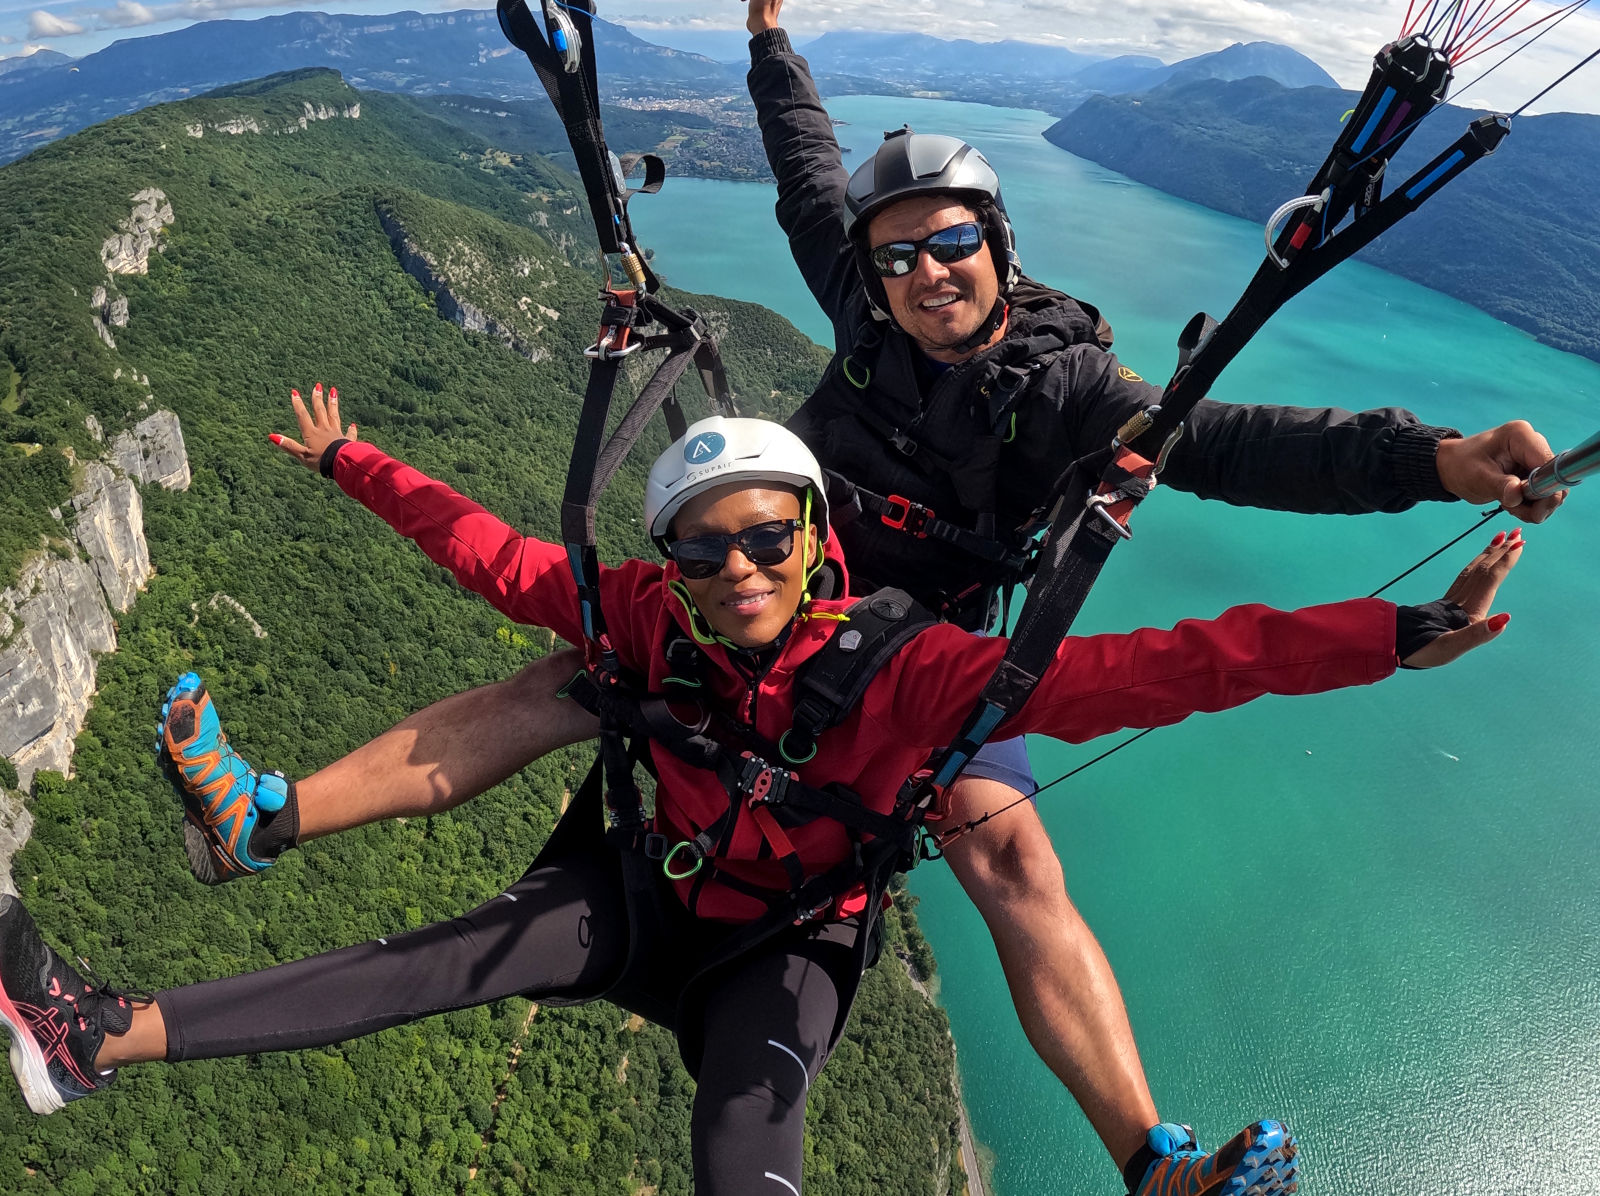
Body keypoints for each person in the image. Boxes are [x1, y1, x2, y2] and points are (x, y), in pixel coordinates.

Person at [0, 400, 1520, 1195]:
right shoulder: (645, 617)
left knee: (746, 1156)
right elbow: (490, 553)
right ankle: (92, 1034)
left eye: (765, 540)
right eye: (704, 545)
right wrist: (353, 464)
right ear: (673, 557)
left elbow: (1162, 665)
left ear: (817, 543)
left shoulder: (912, 671)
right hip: (644, 893)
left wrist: (1392, 636)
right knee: (439, 960)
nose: (735, 569)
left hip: (784, 945)